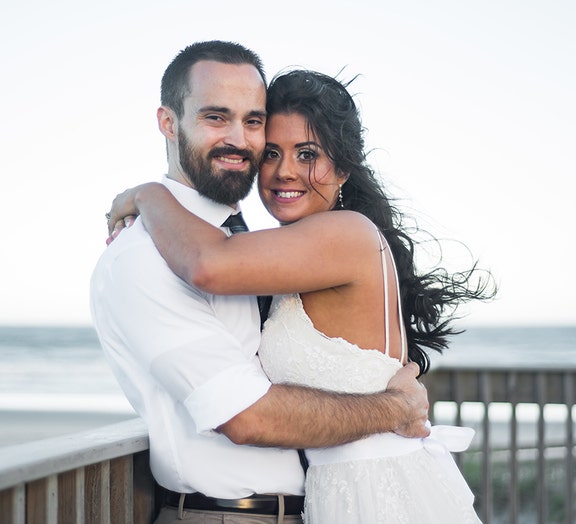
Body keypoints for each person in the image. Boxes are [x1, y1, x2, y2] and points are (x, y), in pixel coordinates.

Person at [106, 68, 493, 523]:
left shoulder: (344, 233)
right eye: (271, 153)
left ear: (343, 167)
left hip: (378, 494)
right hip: (337, 492)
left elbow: (209, 264)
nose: (285, 171)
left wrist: (149, 196)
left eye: (307, 154)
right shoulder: (298, 249)